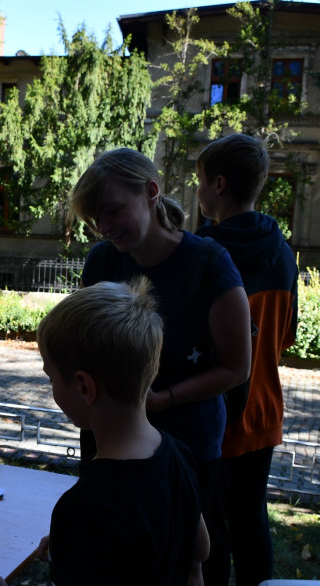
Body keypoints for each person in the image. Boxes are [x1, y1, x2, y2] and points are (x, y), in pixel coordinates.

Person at [0, 279, 209, 586]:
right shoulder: (178, 456)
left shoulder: (89, 507)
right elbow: (196, 558)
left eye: (50, 378)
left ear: (83, 386)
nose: (52, 390)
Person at [70, 147, 251, 506]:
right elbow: (84, 343)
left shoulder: (209, 264)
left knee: (185, 555)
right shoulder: (102, 260)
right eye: (95, 218)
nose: (104, 227)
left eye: (112, 210)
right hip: (110, 438)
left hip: (187, 444)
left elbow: (237, 368)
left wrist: (160, 400)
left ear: (151, 193)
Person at [193, 133, 299, 586]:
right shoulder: (282, 250)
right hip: (264, 411)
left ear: (219, 184)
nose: (197, 195)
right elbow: (288, 337)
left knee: (211, 530)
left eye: (200, 183)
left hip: (221, 413)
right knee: (252, 524)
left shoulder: (210, 254)